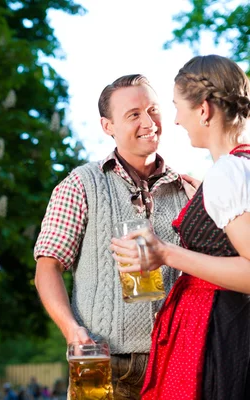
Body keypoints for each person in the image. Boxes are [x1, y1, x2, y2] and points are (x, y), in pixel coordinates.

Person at [34, 74, 190, 399]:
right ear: (108, 126)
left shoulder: (187, 189)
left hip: (175, 360)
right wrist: (72, 331)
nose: (149, 121)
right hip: (103, 361)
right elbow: (47, 267)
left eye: (153, 109)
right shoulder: (81, 183)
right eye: (133, 114)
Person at [111, 55, 250, 400]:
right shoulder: (238, 167)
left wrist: (166, 253)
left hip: (218, 333)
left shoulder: (228, 173)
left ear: (203, 110)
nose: (174, 120)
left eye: (176, 107)